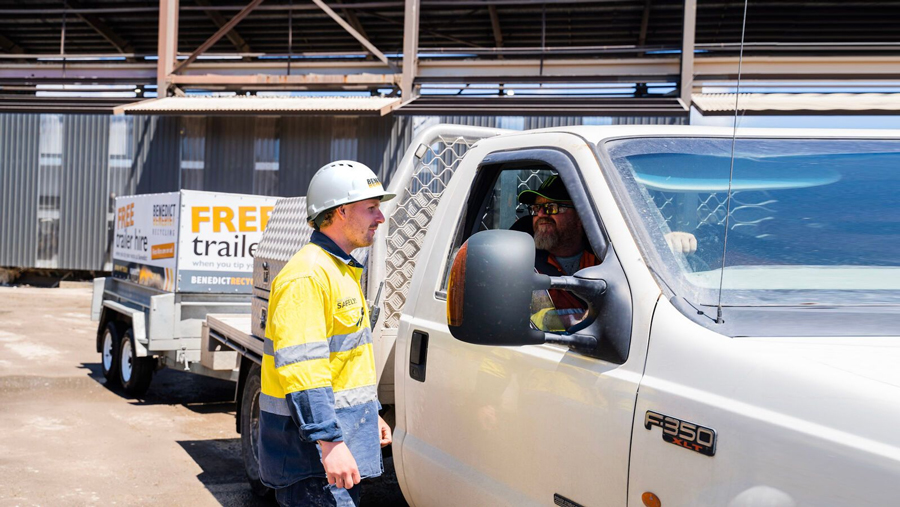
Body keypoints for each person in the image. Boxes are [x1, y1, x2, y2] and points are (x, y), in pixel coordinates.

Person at [259, 160, 394, 507]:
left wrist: (370, 414)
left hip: (333, 450)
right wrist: (329, 442)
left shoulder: (339, 269)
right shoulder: (307, 276)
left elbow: (345, 363)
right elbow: (304, 370)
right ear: (341, 211)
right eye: (371, 208)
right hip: (312, 461)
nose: (380, 218)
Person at [518, 175, 697, 330]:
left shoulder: (609, 256)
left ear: (581, 215)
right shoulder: (522, 262)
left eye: (551, 208)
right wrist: (590, 319)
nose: (540, 215)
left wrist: (661, 246)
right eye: (536, 209)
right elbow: (530, 320)